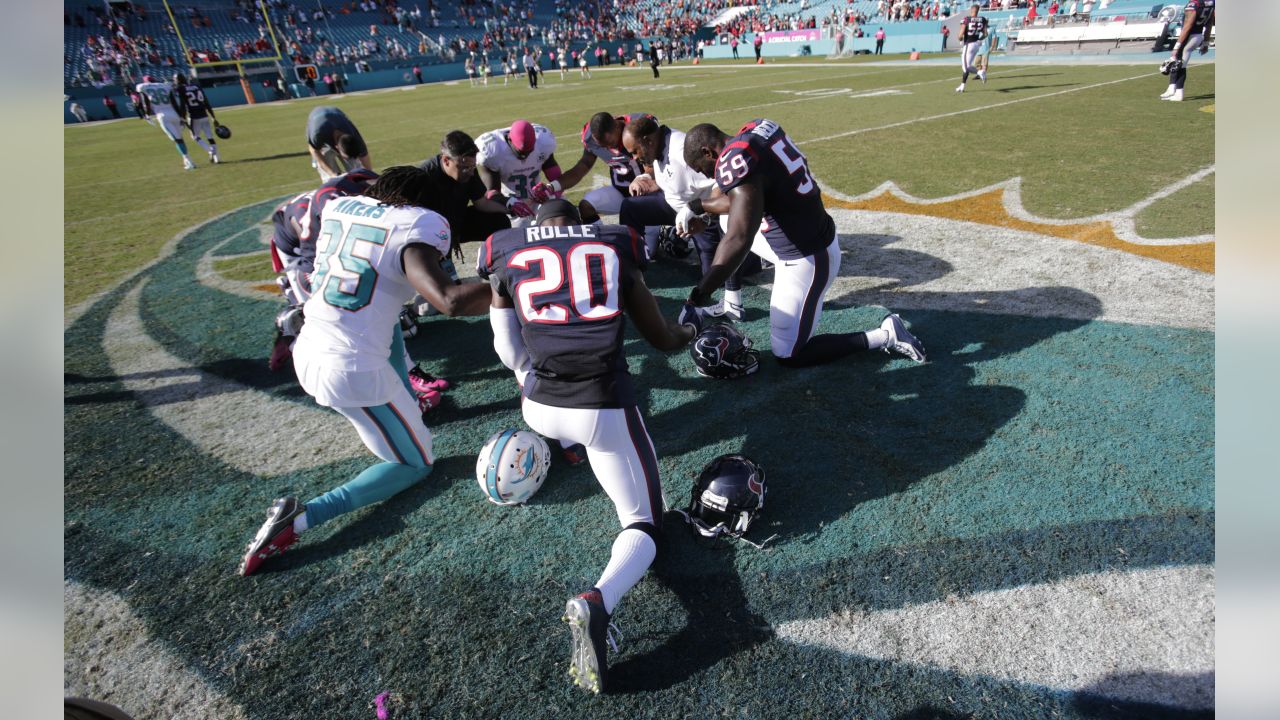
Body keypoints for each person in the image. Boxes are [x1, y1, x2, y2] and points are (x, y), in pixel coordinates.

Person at [476, 198, 698, 694]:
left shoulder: (503, 249)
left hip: (537, 406)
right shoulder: (615, 242)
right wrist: (689, 330)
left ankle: (564, 447)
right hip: (601, 406)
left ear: (534, 225)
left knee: (561, 415)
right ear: (581, 222)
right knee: (645, 523)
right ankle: (600, 600)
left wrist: (529, 379)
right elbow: (661, 340)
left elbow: (508, 350)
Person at [239, 166, 493, 577]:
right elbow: (449, 300)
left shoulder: (342, 209)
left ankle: (399, 409)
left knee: (399, 419)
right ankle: (301, 518)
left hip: (310, 350)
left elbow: (388, 319)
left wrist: (407, 393)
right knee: (415, 463)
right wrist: (512, 284)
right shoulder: (414, 224)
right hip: (349, 369)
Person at [681, 120, 927, 367]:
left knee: (788, 353)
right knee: (727, 221)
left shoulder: (734, 162)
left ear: (708, 152)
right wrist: (699, 206)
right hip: (804, 234)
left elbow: (739, 238)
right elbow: (746, 197)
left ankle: (885, 335)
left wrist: (698, 295)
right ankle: (735, 300)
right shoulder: (754, 132)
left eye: (703, 169)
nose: (708, 176)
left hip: (807, 257)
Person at [622, 116, 759, 321]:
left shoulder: (680, 152)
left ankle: (748, 261)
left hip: (703, 216)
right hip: (678, 208)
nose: (633, 158)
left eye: (634, 151)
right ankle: (634, 278)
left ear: (648, 140)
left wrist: (703, 217)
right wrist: (647, 179)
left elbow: (720, 184)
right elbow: (663, 173)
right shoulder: (657, 146)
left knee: (712, 276)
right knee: (631, 208)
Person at [537, 111, 655, 225]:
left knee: (647, 237)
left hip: (651, 190)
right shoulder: (591, 138)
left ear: (617, 127)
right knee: (586, 206)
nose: (610, 148)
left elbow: (656, 161)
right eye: (603, 146)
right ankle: (600, 242)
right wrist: (551, 187)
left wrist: (643, 178)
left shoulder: (639, 126)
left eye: (611, 143)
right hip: (622, 191)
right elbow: (582, 166)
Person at [475, 119, 560, 228]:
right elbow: (491, 192)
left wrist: (550, 189)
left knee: (561, 216)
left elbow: (557, 178)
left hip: (540, 199)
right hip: (510, 203)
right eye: (521, 152)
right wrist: (509, 203)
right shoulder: (493, 150)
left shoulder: (543, 142)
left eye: (530, 151)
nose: (525, 156)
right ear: (509, 140)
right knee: (520, 229)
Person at [136, 74, 198, 170]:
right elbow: (174, 103)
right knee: (180, 139)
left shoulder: (143, 87)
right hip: (174, 114)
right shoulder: (165, 86)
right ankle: (186, 160)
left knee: (177, 141)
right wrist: (181, 116)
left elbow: (146, 103)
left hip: (163, 116)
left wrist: (147, 115)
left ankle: (189, 162)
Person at [1161, 0, 1214, 102]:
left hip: (1189, 36)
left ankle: (1178, 92)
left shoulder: (1193, 5)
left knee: (1179, 63)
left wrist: (1177, 46)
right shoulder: (1211, 4)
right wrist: (1206, 42)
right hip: (1198, 36)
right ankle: (1171, 88)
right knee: (1178, 62)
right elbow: (1209, 24)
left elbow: (1187, 27)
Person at [306, 105, 372, 181]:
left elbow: (364, 156)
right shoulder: (317, 134)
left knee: (356, 170)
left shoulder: (353, 134)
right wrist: (332, 174)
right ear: (336, 147)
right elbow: (313, 150)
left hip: (335, 116)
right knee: (330, 177)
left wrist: (369, 176)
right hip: (322, 142)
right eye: (346, 157)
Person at [173, 74, 220, 164]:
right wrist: (213, 117)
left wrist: (182, 118)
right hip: (204, 114)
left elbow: (183, 105)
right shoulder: (197, 86)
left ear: (177, 80)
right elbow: (206, 101)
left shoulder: (180, 89)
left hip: (194, 116)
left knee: (194, 136)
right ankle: (217, 157)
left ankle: (210, 150)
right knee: (210, 136)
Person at [956, 4, 989, 93]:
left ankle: (980, 72)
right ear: (978, 11)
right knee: (967, 66)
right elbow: (986, 34)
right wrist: (979, 39)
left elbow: (960, 35)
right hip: (976, 45)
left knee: (966, 67)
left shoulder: (966, 19)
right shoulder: (982, 19)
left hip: (968, 44)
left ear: (971, 10)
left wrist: (959, 38)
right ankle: (962, 86)